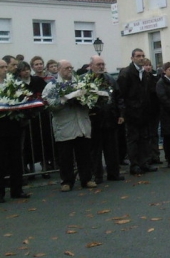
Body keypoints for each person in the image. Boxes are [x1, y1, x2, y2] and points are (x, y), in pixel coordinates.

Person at [41, 60, 95, 192]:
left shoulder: (80, 83)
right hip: (64, 125)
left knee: (84, 154)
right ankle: (66, 181)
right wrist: (64, 100)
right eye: (66, 68)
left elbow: (91, 101)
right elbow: (49, 103)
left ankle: (86, 179)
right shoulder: (52, 86)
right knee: (65, 157)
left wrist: (87, 100)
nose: (69, 70)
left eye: (71, 67)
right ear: (59, 69)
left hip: (81, 123)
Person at [116, 49, 157, 175]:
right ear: (132, 58)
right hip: (132, 112)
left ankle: (144, 163)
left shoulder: (144, 73)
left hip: (144, 112)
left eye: (143, 56)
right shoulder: (126, 73)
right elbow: (121, 94)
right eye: (138, 56)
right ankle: (134, 165)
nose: (141, 58)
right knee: (133, 139)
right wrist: (123, 112)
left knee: (145, 138)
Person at [87, 56, 124, 183]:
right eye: (98, 64)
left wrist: (121, 114)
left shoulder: (110, 79)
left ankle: (113, 173)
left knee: (112, 148)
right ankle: (97, 175)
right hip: (93, 119)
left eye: (103, 64)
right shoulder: (85, 80)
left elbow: (118, 97)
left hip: (110, 118)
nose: (101, 66)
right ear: (91, 66)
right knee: (95, 150)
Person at [0, 59, 31, 201]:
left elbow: (23, 97)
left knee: (16, 158)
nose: (5, 70)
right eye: (2, 67)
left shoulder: (14, 83)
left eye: (6, 67)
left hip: (13, 125)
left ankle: (17, 189)